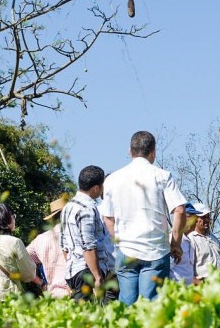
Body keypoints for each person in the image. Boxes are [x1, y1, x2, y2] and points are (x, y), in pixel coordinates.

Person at [99, 131, 188, 305]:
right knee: (150, 306)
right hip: (156, 250)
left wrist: (119, 241)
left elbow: (108, 218)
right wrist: (175, 243)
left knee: (127, 304)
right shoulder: (162, 176)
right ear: (153, 152)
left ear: (130, 151)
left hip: (126, 250)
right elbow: (179, 210)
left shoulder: (112, 179)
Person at [61, 165, 116, 301]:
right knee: (87, 318)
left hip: (74, 270)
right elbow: (88, 245)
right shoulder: (87, 208)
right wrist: (97, 276)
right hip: (87, 272)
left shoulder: (68, 207)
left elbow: (64, 246)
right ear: (96, 188)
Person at [0, 203, 38, 305]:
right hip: (5, 299)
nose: (14, 219)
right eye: (13, 216)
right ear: (6, 220)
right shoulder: (14, 242)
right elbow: (29, 274)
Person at [26, 196, 72, 298]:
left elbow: (23, 260)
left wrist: (40, 282)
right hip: (76, 293)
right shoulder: (75, 234)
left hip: (53, 295)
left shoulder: (40, 239)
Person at [186, 202, 220, 282]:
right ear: (195, 219)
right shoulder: (190, 240)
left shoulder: (214, 238)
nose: (207, 220)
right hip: (204, 285)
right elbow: (186, 270)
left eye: (208, 217)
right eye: (204, 217)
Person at [169, 210, 197, 286]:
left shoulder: (189, 241)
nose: (196, 221)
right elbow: (167, 267)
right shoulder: (173, 239)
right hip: (175, 287)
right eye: (194, 218)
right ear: (184, 218)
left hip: (187, 289)